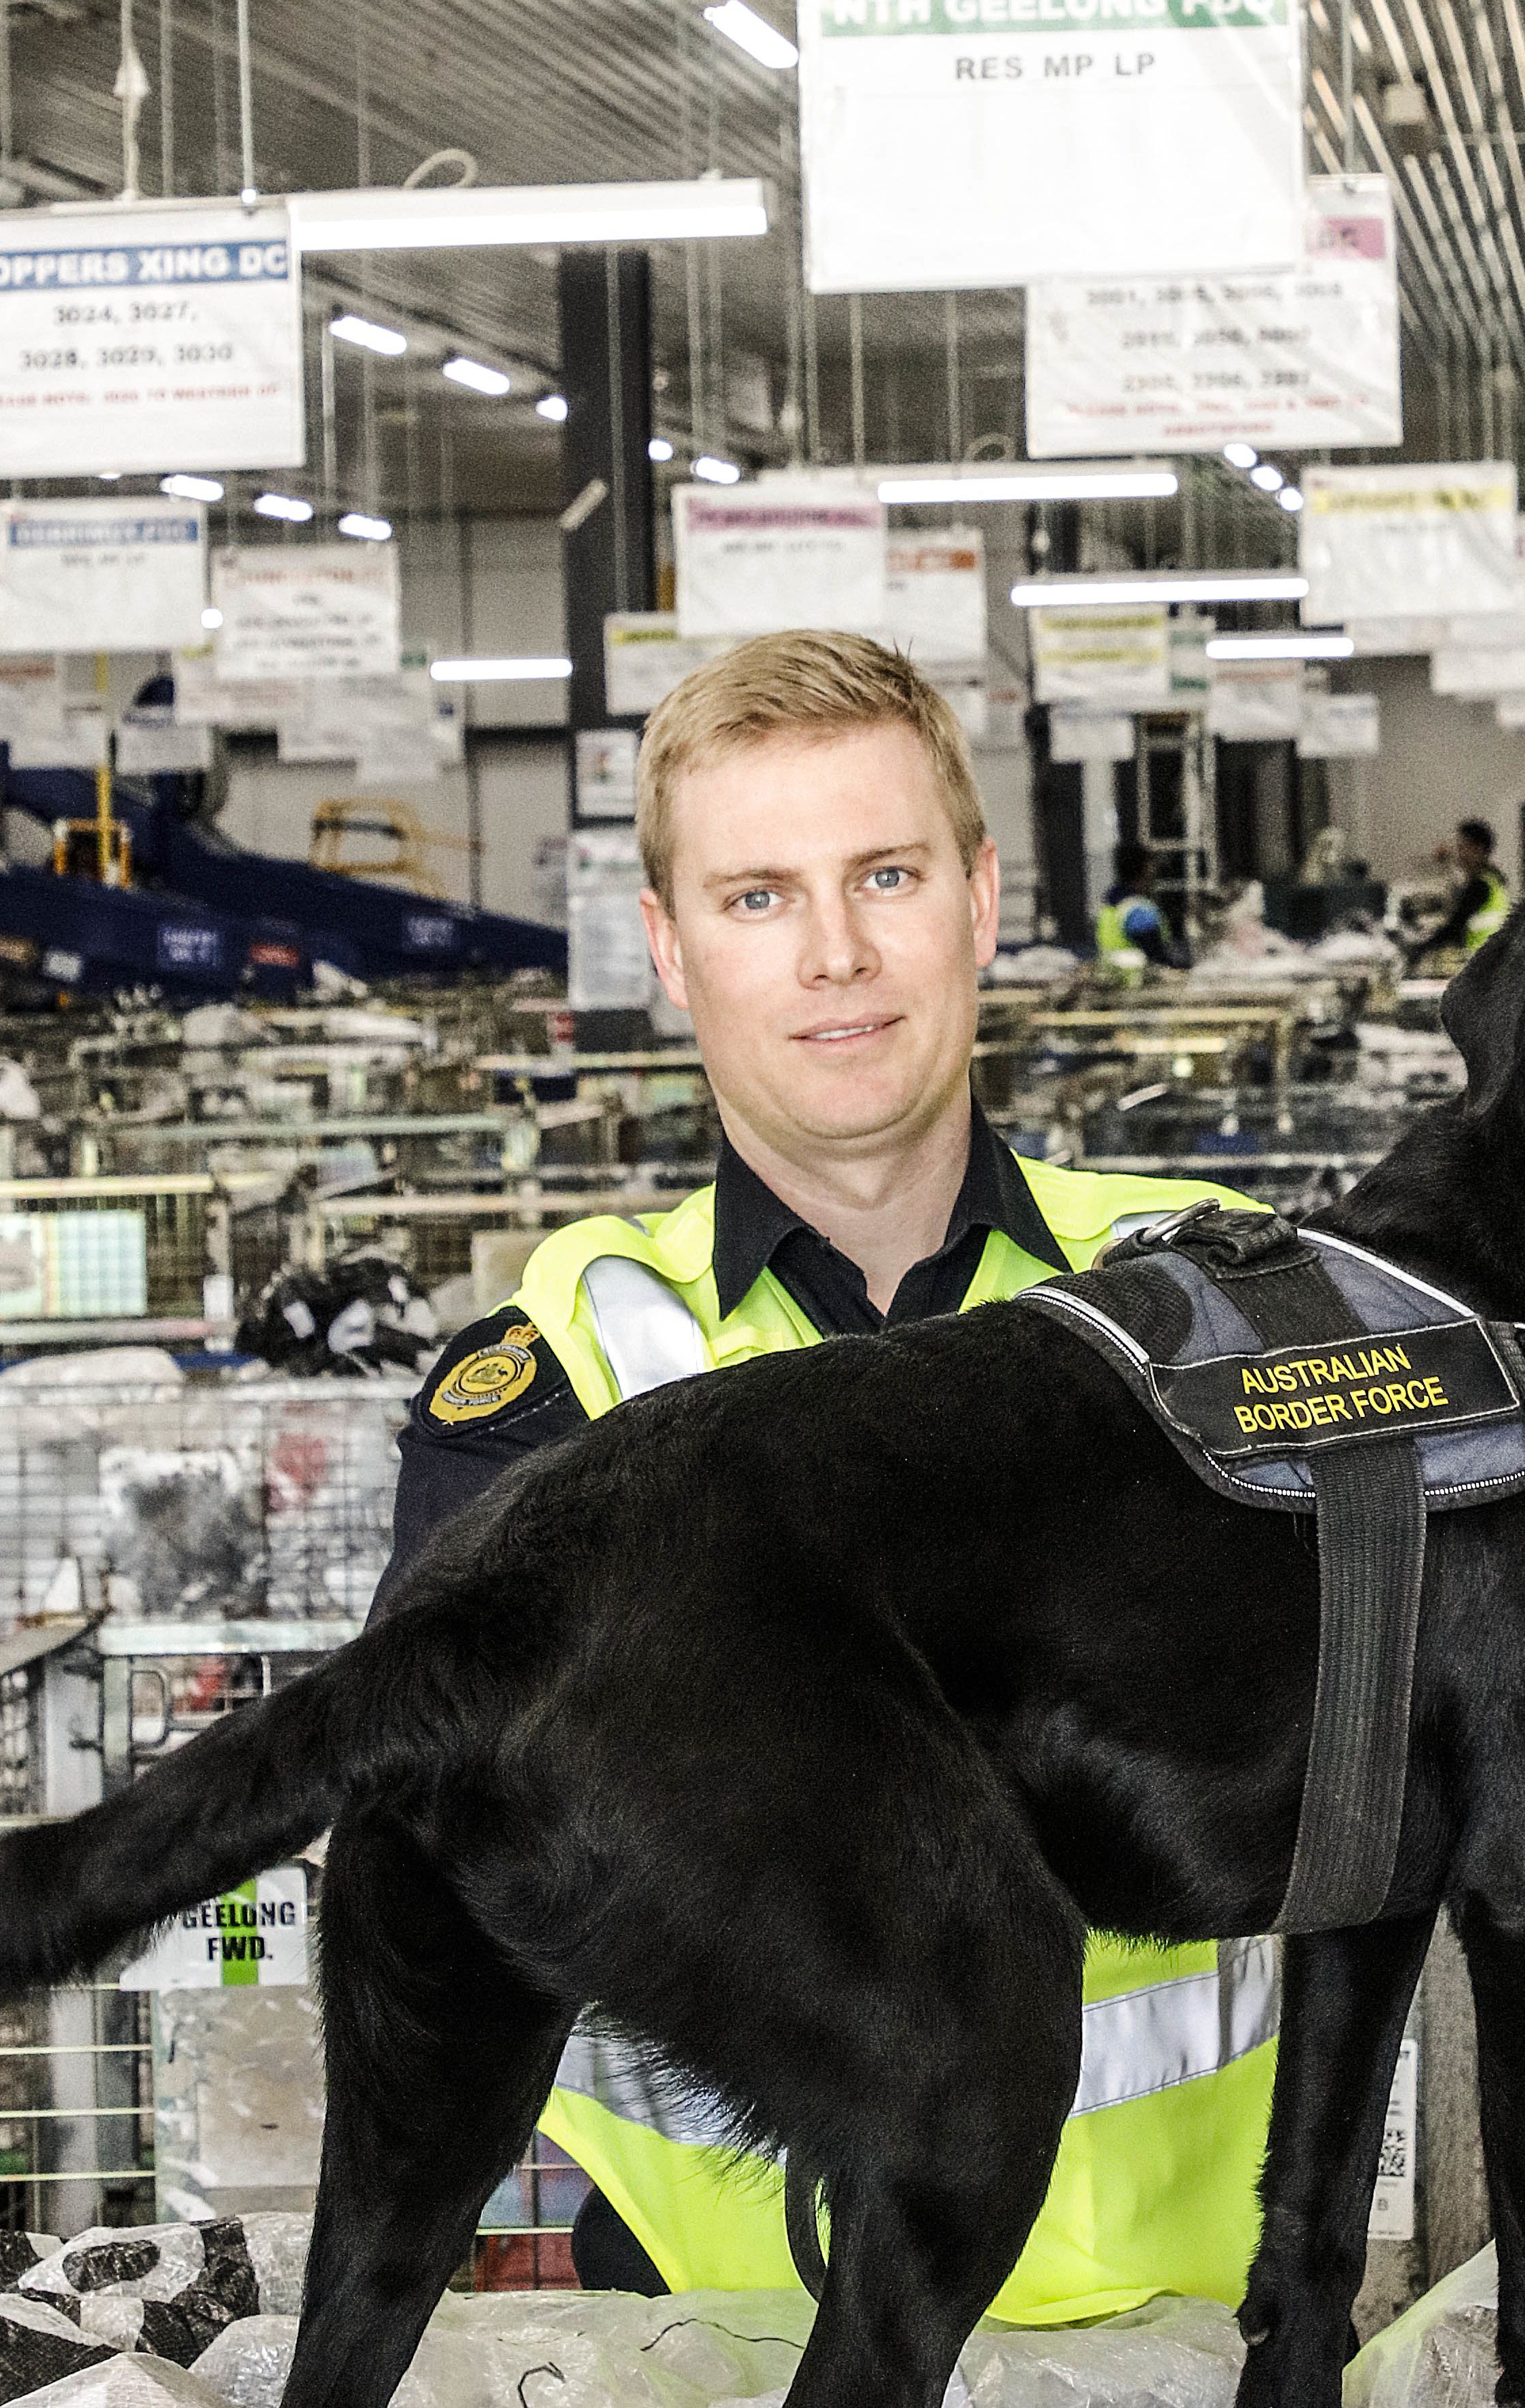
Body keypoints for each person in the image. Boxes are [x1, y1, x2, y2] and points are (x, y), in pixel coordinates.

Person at [380, 630, 1275, 2320]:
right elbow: (482, 1857)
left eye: (885, 874)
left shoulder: (1215, 1302)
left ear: (982, 898)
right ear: (667, 946)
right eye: (759, 898)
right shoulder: (554, 1380)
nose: (839, 955)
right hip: (730, 2399)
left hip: (1213, 2377)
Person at [1406, 818, 1513, 973]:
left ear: (1478, 849)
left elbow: (1455, 926)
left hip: (1482, 964)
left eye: (1462, 847)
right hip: (1490, 960)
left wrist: (1421, 948)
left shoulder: (1480, 886)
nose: (1459, 854)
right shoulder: (1493, 879)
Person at [1092, 843, 1179, 979]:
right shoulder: (1138, 910)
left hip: (1114, 979)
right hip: (1141, 981)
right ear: (1145, 868)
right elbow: (1156, 955)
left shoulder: (1110, 906)